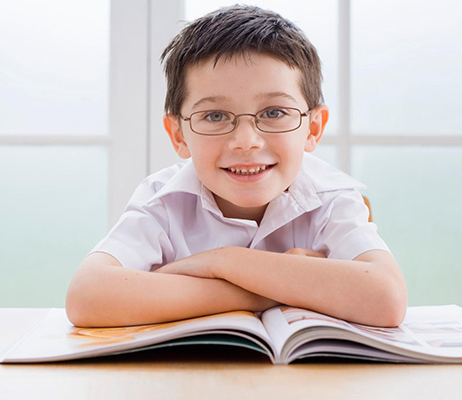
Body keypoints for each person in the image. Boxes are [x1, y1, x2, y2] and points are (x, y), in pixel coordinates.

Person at [66, 5, 407, 328]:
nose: (246, 141)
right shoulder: (162, 200)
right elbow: (87, 296)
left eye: (274, 112)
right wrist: (268, 289)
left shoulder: (331, 199)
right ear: (178, 134)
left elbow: (386, 298)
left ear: (313, 129)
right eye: (215, 116)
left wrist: (222, 261)